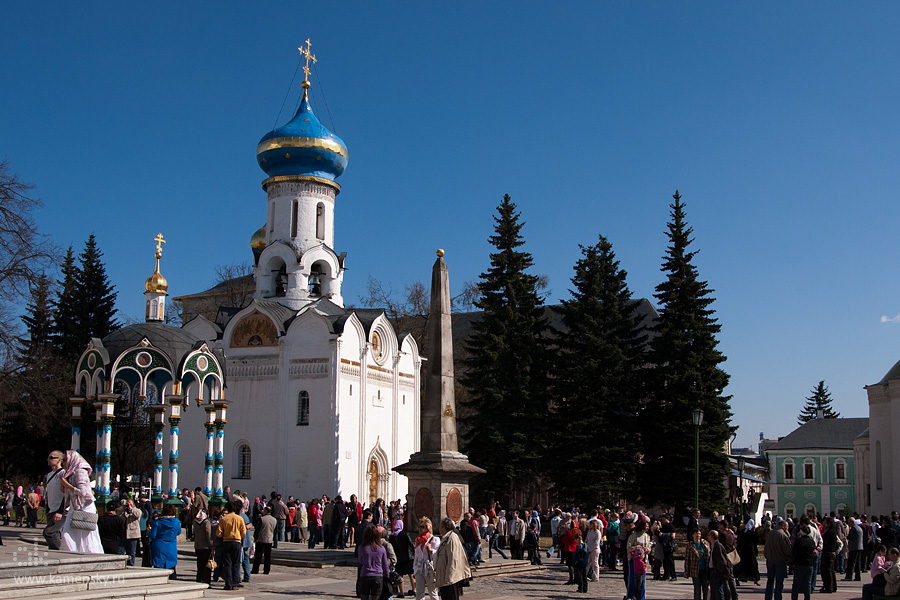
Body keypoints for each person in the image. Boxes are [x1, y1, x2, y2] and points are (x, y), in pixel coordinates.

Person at [59, 450, 103, 553]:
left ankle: (87, 552)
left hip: (84, 507)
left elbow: (83, 492)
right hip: (75, 507)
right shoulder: (69, 473)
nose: (64, 463)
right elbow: (65, 493)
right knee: (68, 532)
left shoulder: (80, 472)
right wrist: (63, 483)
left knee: (85, 534)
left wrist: (66, 484)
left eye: (65, 460)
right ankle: (72, 551)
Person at [434, 518, 471, 600]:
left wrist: (450, 577)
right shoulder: (446, 538)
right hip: (444, 578)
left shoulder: (452, 538)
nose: (439, 528)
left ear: (444, 527)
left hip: (449, 580)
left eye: (440, 526)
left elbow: (453, 558)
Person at [217, 500, 248, 591]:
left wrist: (224, 534)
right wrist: (240, 537)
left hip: (226, 541)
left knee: (227, 563)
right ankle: (235, 583)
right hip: (237, 541)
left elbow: (218, 533)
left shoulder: (224, 519)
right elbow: (243, 532)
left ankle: (228, 583)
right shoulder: (239, 518)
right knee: (236, 563)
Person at [357, 523, 389, 600]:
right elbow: (385, 564)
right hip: (378, 575)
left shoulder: (362, 547)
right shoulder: (381, 548)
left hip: (365, 575)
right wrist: (387, 576)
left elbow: (360, 561)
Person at [148, 502, 181, 576]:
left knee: (158, 567)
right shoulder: (176, 522)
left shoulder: (158, 522)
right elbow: (179, 531)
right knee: (171, 567)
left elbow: (152, 535)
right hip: (171, 546)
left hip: (159, 546)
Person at [43, 450, 66, 549]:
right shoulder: (49, 475)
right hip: (51, 509)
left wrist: (60, 511)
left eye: (52, 457)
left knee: (49, 532)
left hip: (60, 510)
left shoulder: (63, 473)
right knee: (54, 534)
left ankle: (62, 552)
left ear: (59, 460)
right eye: (48, 457)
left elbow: (66, 494)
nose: (48, 459)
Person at [765, 517, 792, 600]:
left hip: (770, 560)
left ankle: (768, 597)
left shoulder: (770, 533)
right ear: (783, 526)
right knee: (779, 581)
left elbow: (766, 547)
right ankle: (777, 597)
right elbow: (787, 550)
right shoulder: (783, 535)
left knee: (770, 580)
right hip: (780, 560)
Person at [414, 517, 440, 600]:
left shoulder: (434, 539)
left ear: (428, 528)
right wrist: (414, 569)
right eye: (419, 526)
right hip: (419, 566)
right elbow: (416, 555)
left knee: (432, 591)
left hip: (429, 567)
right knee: (419, 592)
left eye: (422, 527)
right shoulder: (418, 540)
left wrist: (431, 550)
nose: (420, 529)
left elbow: (438, 553)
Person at [389, 518, 415, 597]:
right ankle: (414, 589)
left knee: (400, 575)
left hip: (398, 558)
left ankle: (401, 592)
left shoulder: (392, 536)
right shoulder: (405, 534)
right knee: (411, 574)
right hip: (408, 557)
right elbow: (411, 544)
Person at [790, 524, 816, 600]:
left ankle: (794, 598)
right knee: (807, 583)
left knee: (796, 584)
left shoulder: (799, 541)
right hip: (809, 564)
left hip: (799, 564)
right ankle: (807, 598)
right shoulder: (811, 541)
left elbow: (794, 551)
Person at [685, 527, 710, 600]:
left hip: (705, 569)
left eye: (699, 533)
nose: (698, 535)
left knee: (705, 588)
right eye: (696, 534)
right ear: (692, 535)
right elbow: (687, 559)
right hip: (695, 570)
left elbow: (709, 555)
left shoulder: (705, 543)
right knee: (697, 589)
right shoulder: (690, 545)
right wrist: (687, 572)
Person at [118, 497, 142, 566]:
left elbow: (137, 515)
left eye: (130, 504)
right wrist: (123, 508)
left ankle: (131, 564)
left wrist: (130, 509)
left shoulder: (137, 511)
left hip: (132, 535)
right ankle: (121, 564)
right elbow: (118, 515)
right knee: (121, 551)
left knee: (131, 552)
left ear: (133, 505)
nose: (128, 505)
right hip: (123, 533)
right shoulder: (121, 511)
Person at [708, 530, 732, 600]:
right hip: (712, 571)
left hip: (716, 572)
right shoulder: (713, 546)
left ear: (711, 537)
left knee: (719, 592)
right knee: (714, 593)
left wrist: (718, 571)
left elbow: (721, 561)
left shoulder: (718, 546)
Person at [252, 506, 276, 575]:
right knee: (268, 556)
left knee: (258, 555)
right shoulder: (274, 520)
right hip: (269, 539)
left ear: (265, 511)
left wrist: (255, 537)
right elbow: (276, 531)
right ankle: (266, 570)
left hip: (261, 539)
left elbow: (257, 529)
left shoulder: (262, 519)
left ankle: (255, 569)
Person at [193, 509, 214, 585]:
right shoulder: (206, 522)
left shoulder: (195, 522)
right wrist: (211, 545)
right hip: (206, 546)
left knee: (200, 564)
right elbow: (208, 534)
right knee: (206, 565)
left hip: (198, 545)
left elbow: (194, 533)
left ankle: (199, 578)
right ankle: (206, 580)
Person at [737, 520, 760, 585]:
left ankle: (740, 578)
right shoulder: (752, 533)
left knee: (743, 565)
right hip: (751, 551)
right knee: (753, 565)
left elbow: (739, 540)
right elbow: (757, 541)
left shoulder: (743, 532)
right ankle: (755, 579)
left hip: (743, 551)